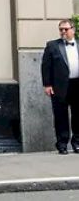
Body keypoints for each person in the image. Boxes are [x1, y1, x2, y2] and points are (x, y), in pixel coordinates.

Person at [42, 19, 79, 154]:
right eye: (61, 29)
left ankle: (77, 142)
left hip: (77, 84)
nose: (63, 32)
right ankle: (62, 144)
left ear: (73, 30)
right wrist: (47, 84)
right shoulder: (52, 46)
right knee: (60, 116)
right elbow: (46, 66)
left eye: (66, 29)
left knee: (77, 115)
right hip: (60, 86)